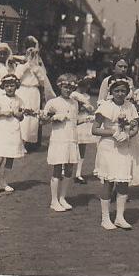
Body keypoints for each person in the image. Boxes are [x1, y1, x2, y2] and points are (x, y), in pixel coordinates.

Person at [92, 75, 139, 229]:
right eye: (117, 90)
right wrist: (112, 132)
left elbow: (135, 126)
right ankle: (105, 218)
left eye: (123, 91)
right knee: (109, 181)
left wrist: (127, 134)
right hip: (108, 147)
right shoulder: (105, 106)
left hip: (124, 147)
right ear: (111, 91)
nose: (120, 93)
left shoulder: (130, 107)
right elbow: (95, 129)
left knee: (123, 181)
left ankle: (120, 217)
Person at [41, 74, 82, 212]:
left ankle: (63, 198)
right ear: (60, 87)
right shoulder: (53, 102)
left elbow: (74, 121)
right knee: (57, 168)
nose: (68, 90)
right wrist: (55, 118)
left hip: (71, 138)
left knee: (69, 168)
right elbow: (43, 121)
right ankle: (54, 200)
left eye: (71, 87)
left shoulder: (75, 103)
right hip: (59, 139)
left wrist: (87, 119)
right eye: (65, 87)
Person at [0, 74, 25, 197]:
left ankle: (3, 182)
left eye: (12, 85)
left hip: (13, 130)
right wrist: (2, 113)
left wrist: (16, 114)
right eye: (7, 86)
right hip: (2, 130)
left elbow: (21, 117)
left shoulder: (19, 100)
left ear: (16, 86)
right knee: (0, 157)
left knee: (10, 157)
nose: (9, 88)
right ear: (3, 87)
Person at [14, 36, 55, 149]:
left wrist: (35, 68)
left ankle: (26, 142)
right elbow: (17, 76)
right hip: (22, 90)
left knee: (31, 118)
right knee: (21, 114)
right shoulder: (21, 63)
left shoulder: (38, 65)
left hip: (33, 92)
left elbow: (43, 81)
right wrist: (27, 64)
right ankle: (18, 140)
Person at [71, 74, 97, 183]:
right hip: (75, 120)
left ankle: (78, 173)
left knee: (82, 147)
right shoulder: (73, 94)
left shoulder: (86, 96)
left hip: (84, 122)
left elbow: (91, 109)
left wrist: (87, 107)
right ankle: (63, 169)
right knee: (71, 144)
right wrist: (80, 106)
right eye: (85, 85)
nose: (87, 87)